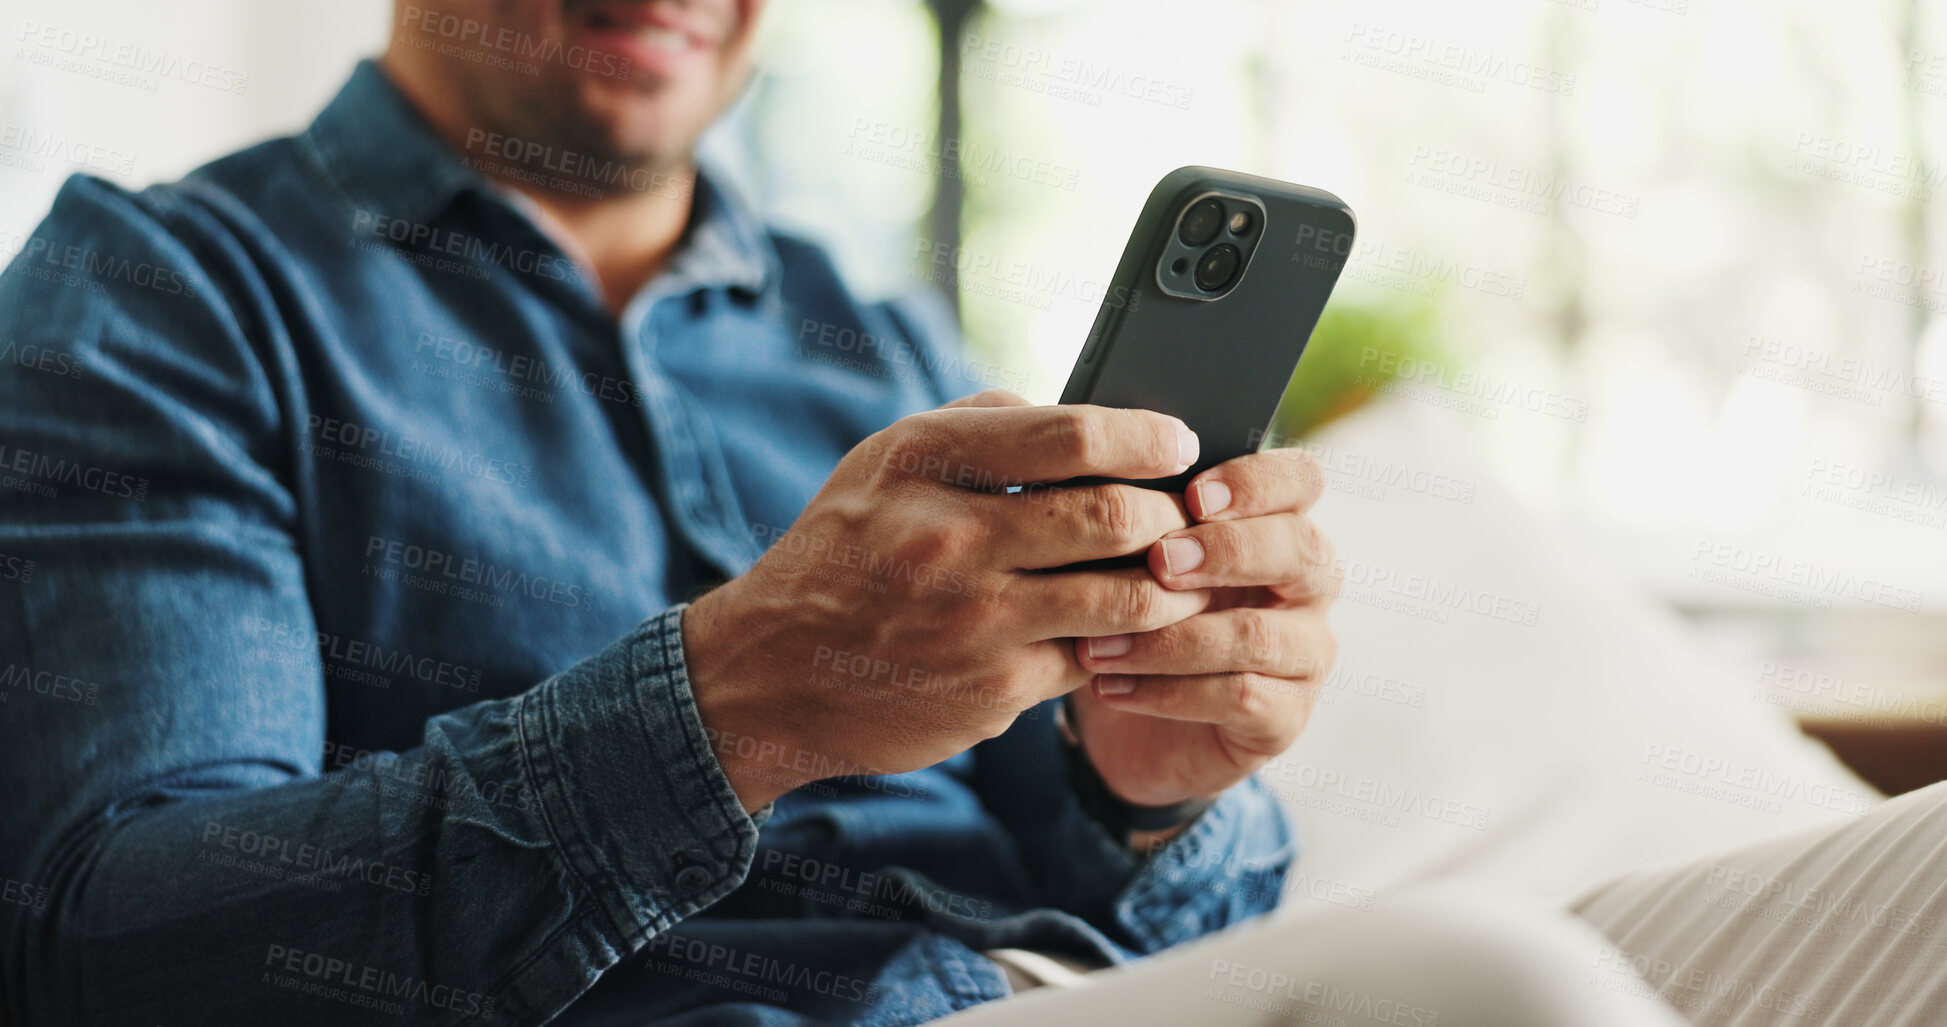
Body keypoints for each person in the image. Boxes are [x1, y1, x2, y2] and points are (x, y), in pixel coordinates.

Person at [7, 2, 1947, 1025]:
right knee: (1492, 987)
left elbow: (1107, 867)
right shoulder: (167, 292)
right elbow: (118, 942)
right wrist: (741, 698)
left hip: (1118, 997)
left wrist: (1152, 787)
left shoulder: (873, 330)